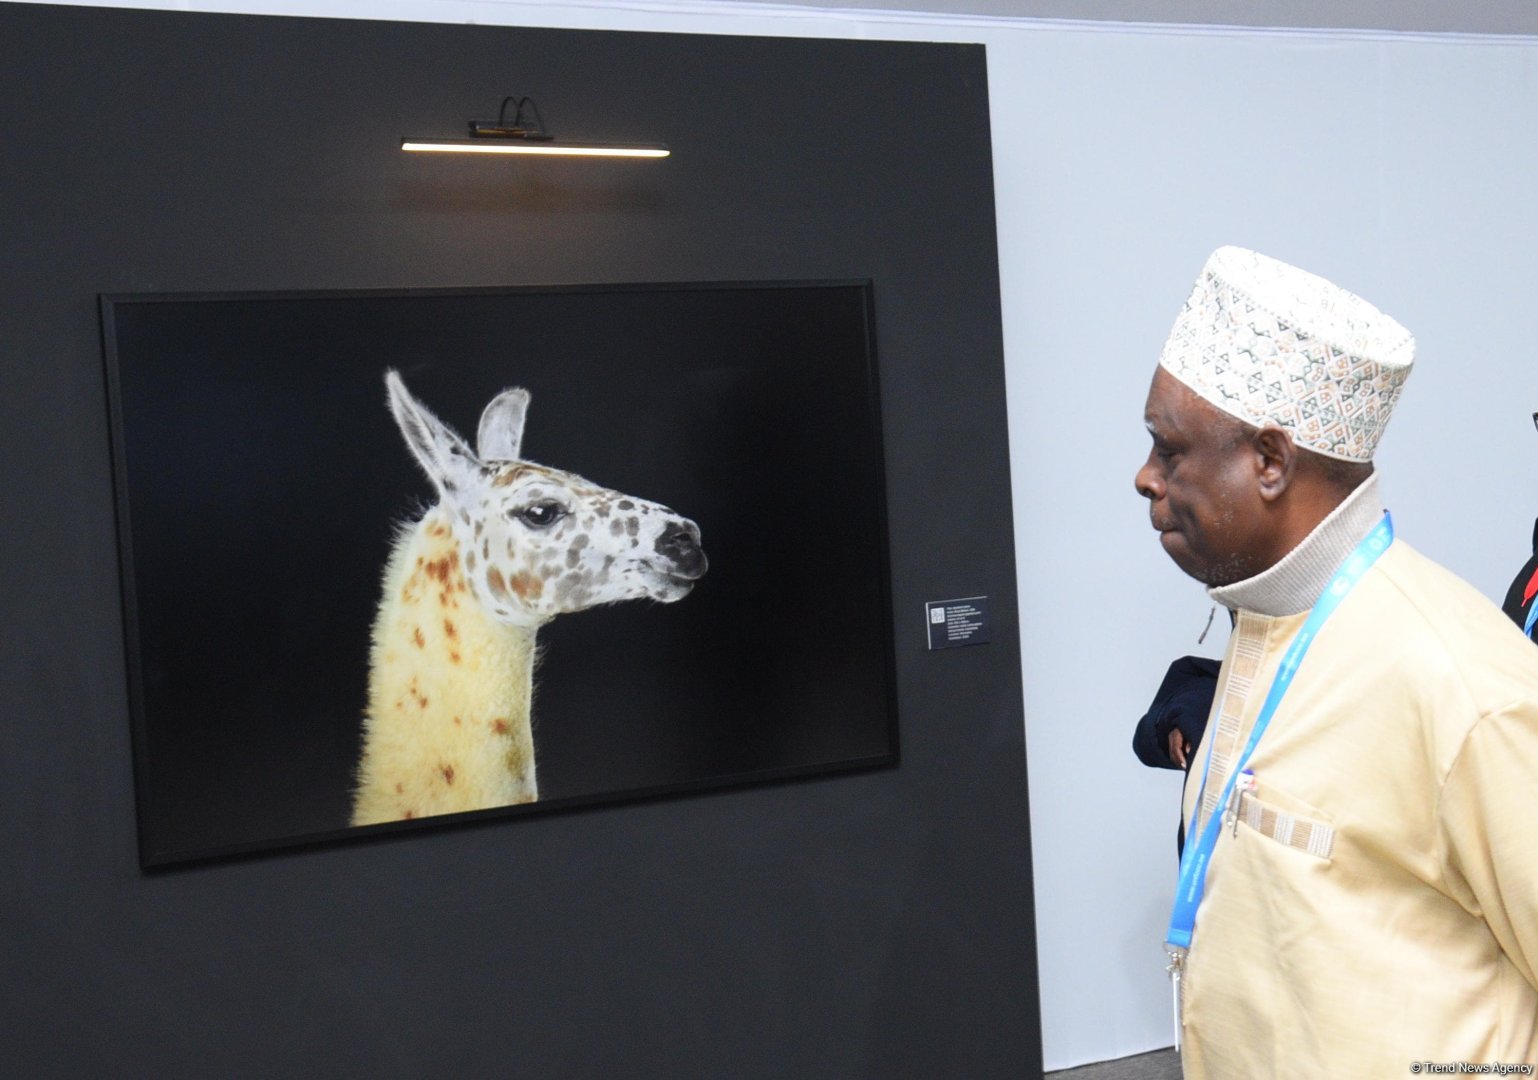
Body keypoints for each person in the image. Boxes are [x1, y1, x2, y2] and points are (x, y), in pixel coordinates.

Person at [1134, 246, 1538, 1078]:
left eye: (1169, 451)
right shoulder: (1261, 624)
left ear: (1271, 462)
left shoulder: (1464, 683)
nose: (1145, 478)